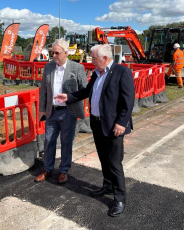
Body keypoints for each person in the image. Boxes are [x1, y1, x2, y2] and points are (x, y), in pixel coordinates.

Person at [54, 44, 135, 217]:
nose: (91, 61)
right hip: (97, 124)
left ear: (105, 58)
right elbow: (86, 92)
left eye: (93, 58)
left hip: (114, 126)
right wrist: (68, 97)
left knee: (114, 162)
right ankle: (107, 185)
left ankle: (119, 198)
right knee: (104, 159)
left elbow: (128, 100)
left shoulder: (122, 72)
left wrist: (122, 122)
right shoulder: (97, 74)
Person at [35, 38, 88, 184]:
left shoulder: (77, 68)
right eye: (52, 52)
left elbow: (85, 90)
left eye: (57, 53)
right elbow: (44, 90)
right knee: (48, 140)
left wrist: (70, 97)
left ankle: (64, 171)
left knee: (66, 142)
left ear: (66, 53)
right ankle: (47, 169)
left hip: (68, 112)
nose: (54, 55)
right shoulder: (49, 67)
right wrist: (41, 110)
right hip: (51, 111)